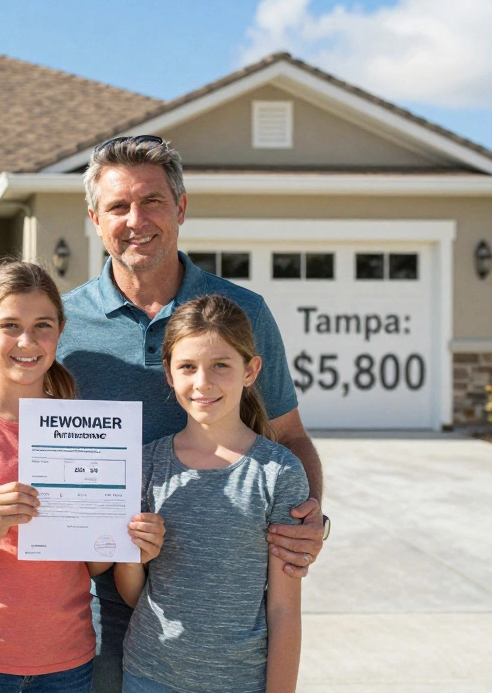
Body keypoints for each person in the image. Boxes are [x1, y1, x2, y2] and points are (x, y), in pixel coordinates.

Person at [0, 136, 327, 692]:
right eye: (118, 206)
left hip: (214, 612)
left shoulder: (241, 313)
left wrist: (309, 519)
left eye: (152, 201)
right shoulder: (60, 321)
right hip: (92, 597)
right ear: (94, 219)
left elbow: (289, 435)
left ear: (181, 208)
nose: (136, 219)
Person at [0, 259, 166, 693]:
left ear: (60, 332)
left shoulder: (88, 432)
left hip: (67, 664)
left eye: (42, 325)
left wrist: (126, 538)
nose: (27, 341)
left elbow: (90, 563)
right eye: (9, 325)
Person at [115, 294, 306, 693]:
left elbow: (285, 609)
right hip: (149, 675)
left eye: (221, 365)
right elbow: (134, 594)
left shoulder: (279, 472)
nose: (203, 383)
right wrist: (133, 559)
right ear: (169, 374)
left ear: (251, 370)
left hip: (240, 680)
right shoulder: (146, 464)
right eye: (188, 367)